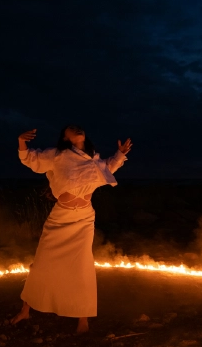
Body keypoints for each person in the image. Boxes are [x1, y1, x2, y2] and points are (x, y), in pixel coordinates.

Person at [11, 125, 132, 333]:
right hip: (60, 219)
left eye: (79, 127)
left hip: (84, 219)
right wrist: (21, 141)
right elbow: (31, 159)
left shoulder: (93, 159)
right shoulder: (57, 155)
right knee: (42, 263)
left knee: (81, 266)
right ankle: (25, 309)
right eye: (70, 129)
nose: (76, 129)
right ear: (65, 138)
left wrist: (120, 154)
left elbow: (109, 167)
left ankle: (82, 318)